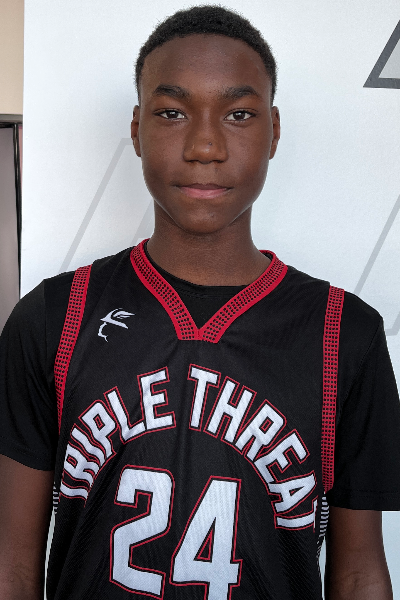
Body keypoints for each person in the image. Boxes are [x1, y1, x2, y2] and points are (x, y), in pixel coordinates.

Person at [1, 5, 400, 599]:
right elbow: (11, 563)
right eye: (172, 112)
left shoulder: (344, 333)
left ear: (273, 130)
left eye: (239, 114)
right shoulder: (54, 318)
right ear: (136, 129)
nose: (205, 145)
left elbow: (360, 571)